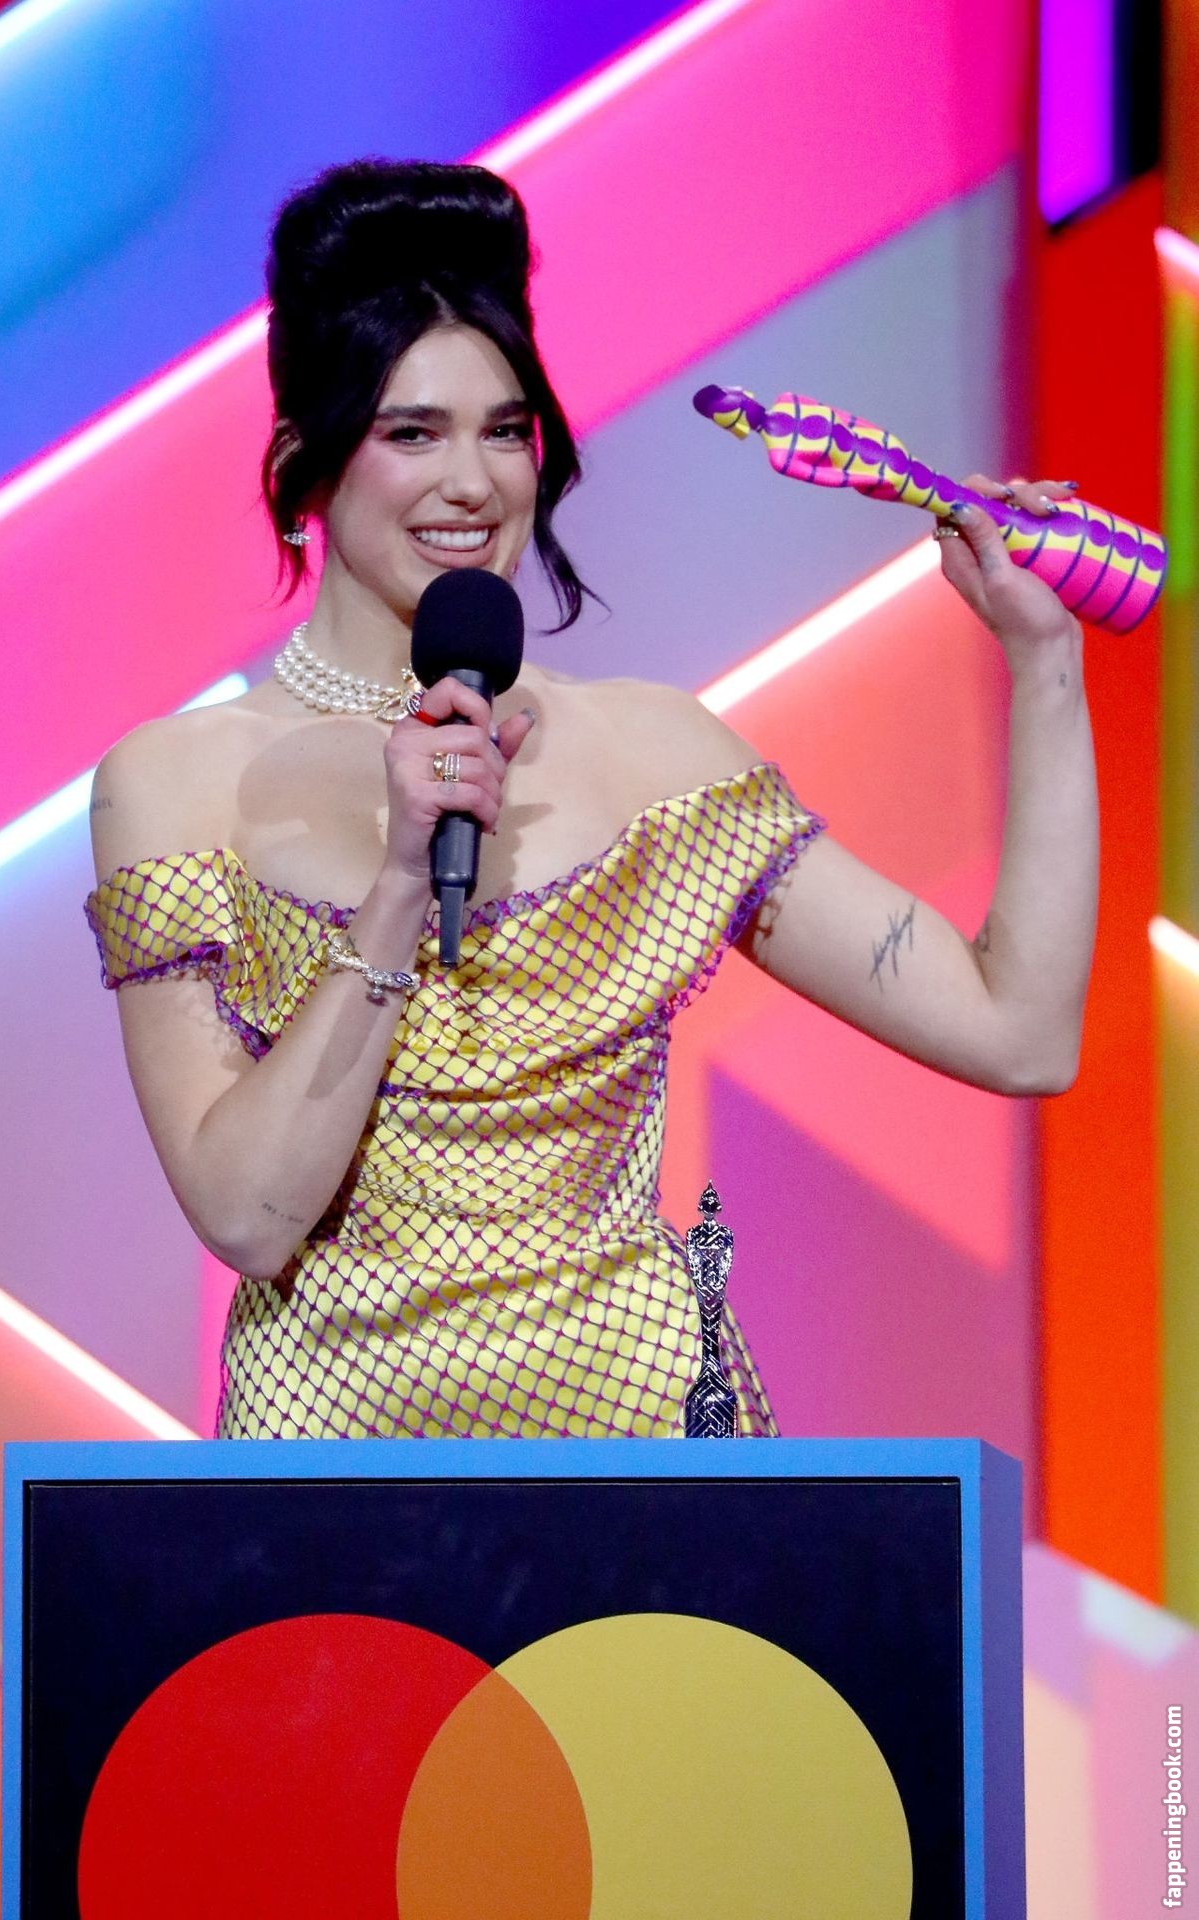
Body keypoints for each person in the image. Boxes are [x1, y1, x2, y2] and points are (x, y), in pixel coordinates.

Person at [85, 160, 1096, 1440]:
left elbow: (1017, 1033)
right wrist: (399, 887)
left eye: (506, 431)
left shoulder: (653, 755)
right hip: (335, 1496)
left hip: (648, 1472)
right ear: (305, 461)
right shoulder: (179, 783)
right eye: (413, 433)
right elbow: (246, 1215)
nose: (473, 483)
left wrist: (1042, 663)